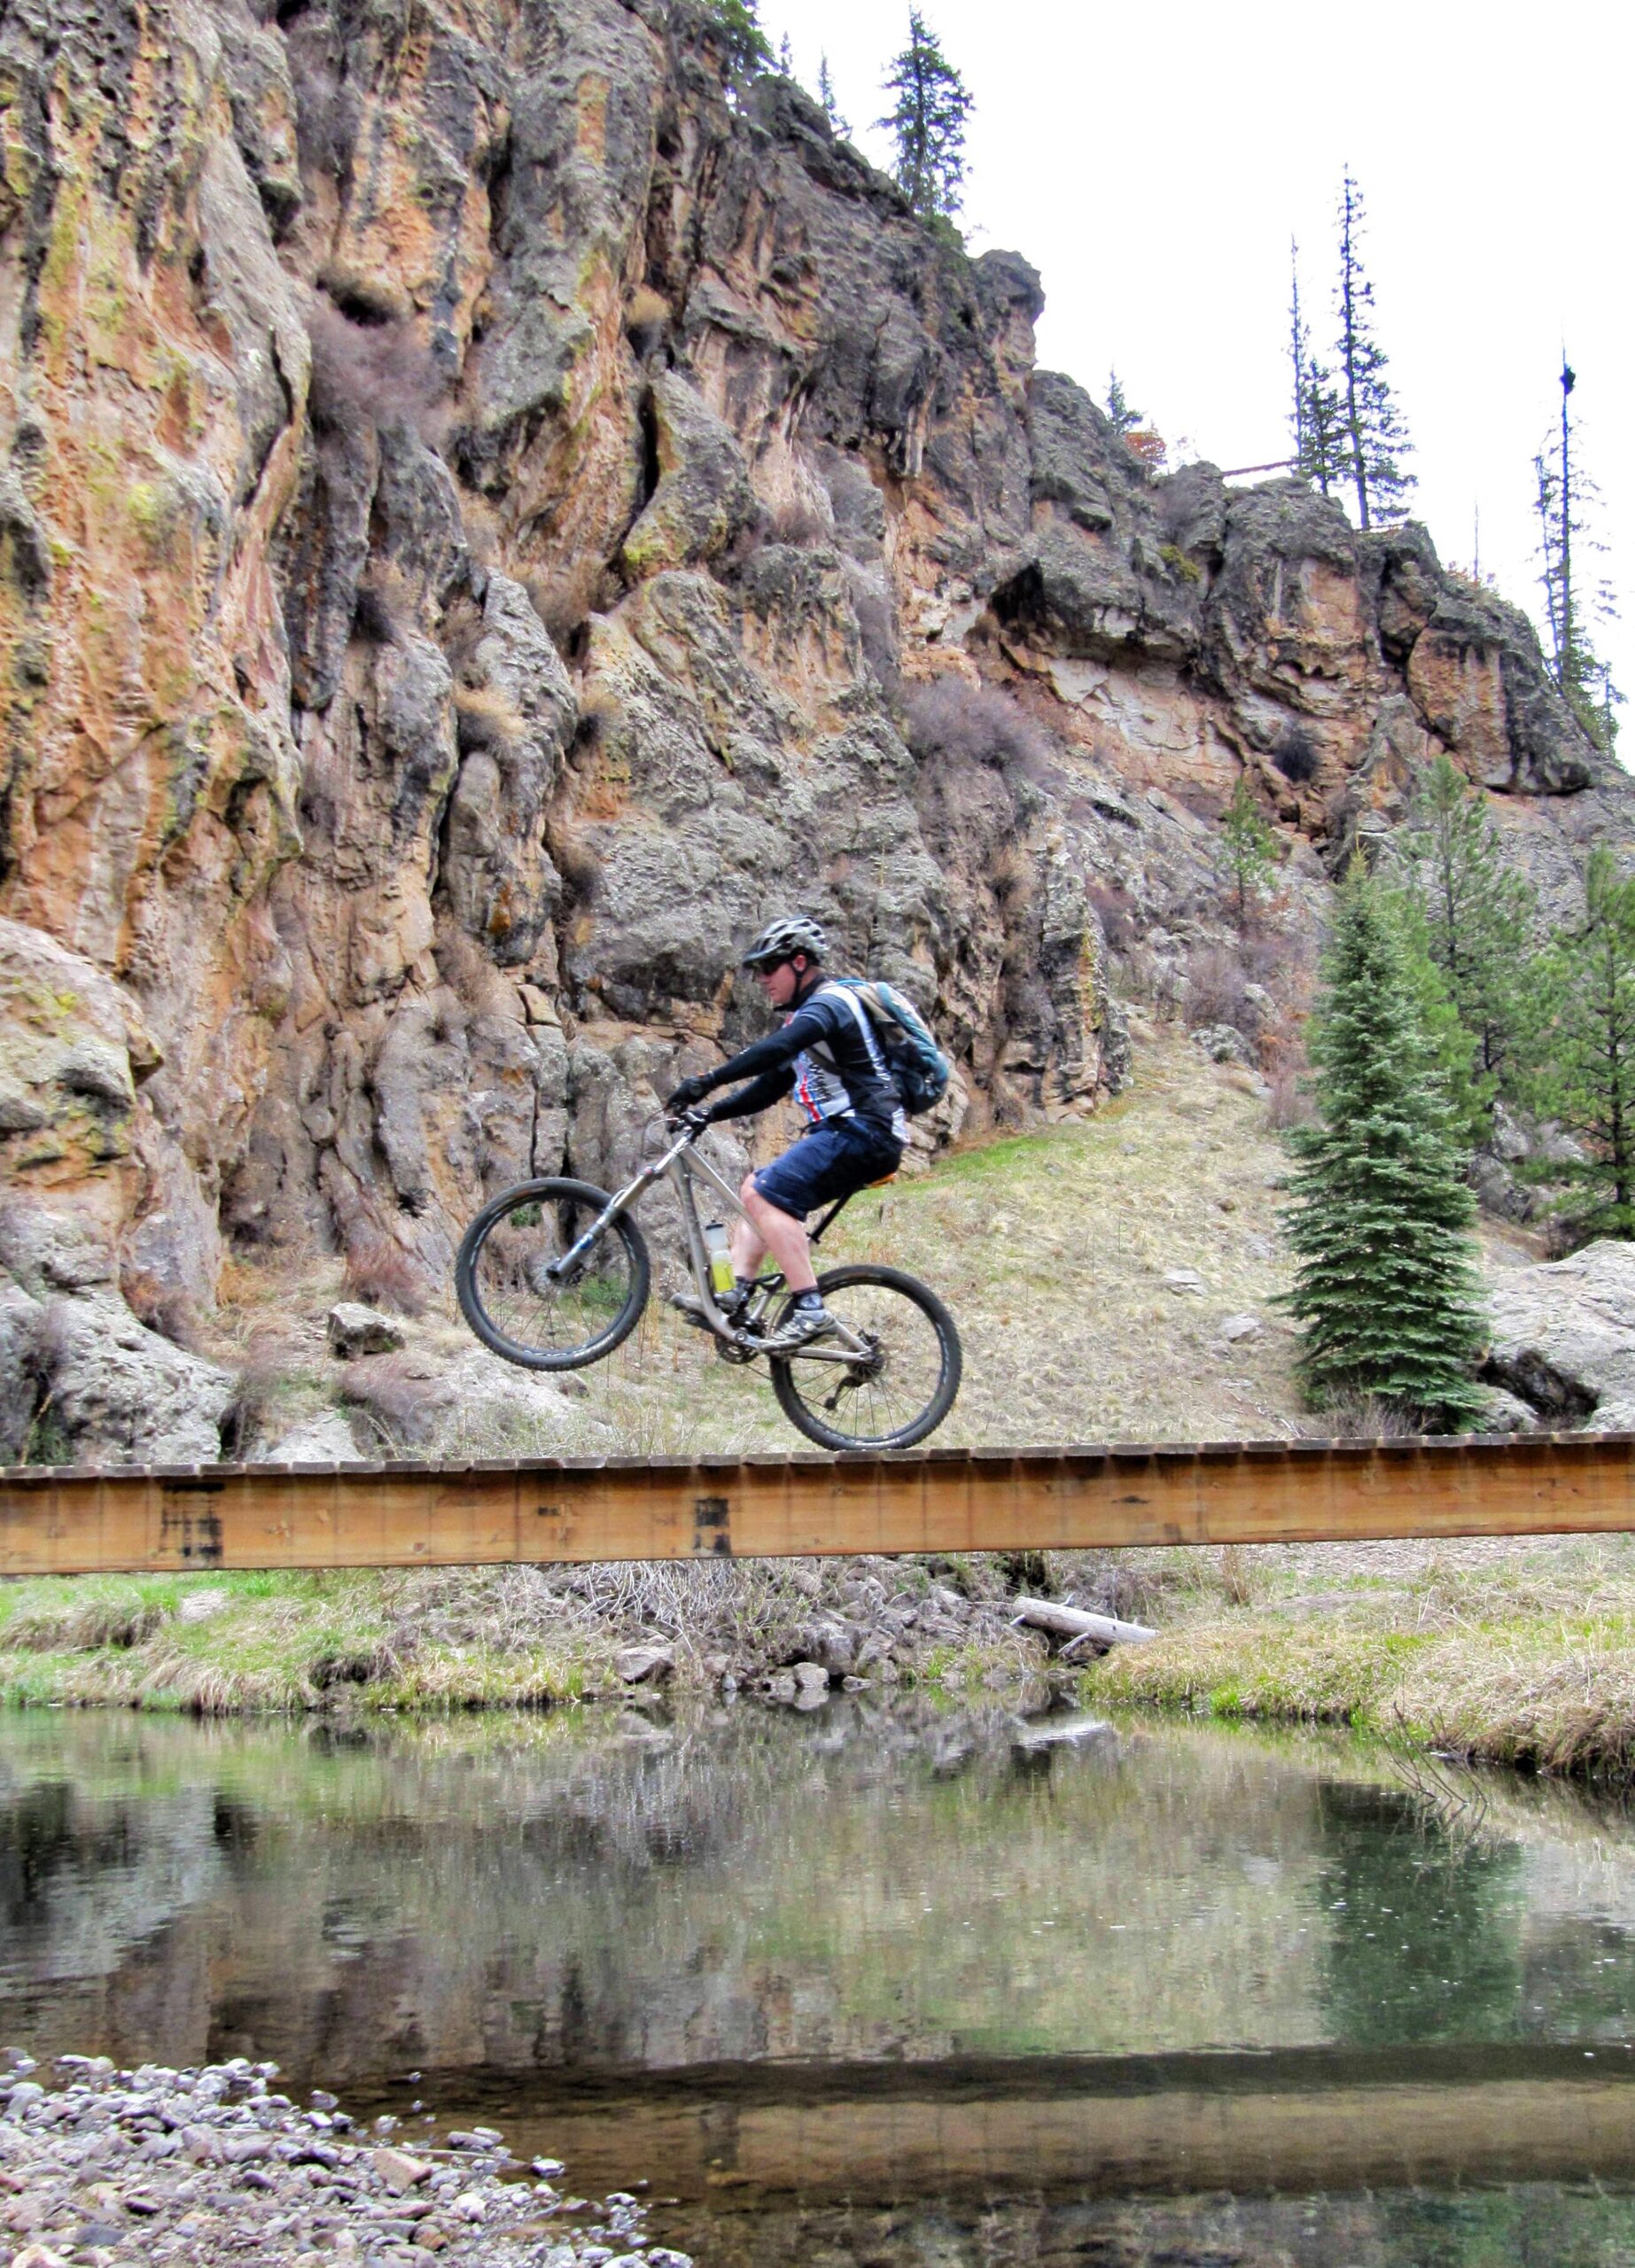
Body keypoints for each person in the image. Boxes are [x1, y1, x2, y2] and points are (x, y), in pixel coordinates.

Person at [664, 915, 907, 1348]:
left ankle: (810, 1308)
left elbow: (774, 1050)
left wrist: (706, 1080)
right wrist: (709, 1113)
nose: (761, 980)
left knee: (765, 1193)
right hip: (847, 1133)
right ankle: (735, 1293)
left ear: (799, 963)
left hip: (865, 1131)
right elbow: (768, 1088)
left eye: (767, 968)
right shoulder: (803, 1024)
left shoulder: (830, 1005)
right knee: (753, 1189)